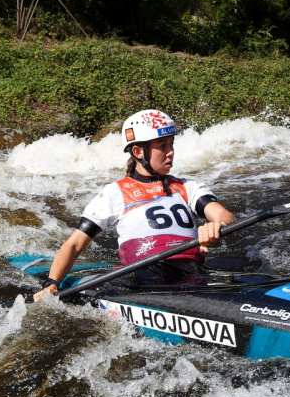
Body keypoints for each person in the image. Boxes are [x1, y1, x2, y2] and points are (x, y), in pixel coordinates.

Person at [34, 109, 236, 301]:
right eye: (162, 145)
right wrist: (52, 284)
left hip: (192, 269)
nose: (171, 152)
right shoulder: (115, 193)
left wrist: (216, 225)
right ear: (139, 151)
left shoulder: (188, 187)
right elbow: (74, 244)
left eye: (171, 144)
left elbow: (225, 216)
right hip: (145, 273)